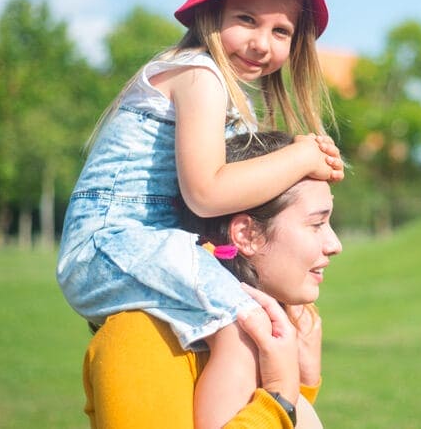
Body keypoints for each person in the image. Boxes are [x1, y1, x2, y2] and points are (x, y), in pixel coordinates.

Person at [56, 0, 344, 428]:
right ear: (212, 13)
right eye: (246, 19)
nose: (262, 43)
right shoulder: (199, 74)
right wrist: (300, 157)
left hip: (148, 244)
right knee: (241, 326)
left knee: (250, 322)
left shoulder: (225, 96)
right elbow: (208, 193)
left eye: (281, 30)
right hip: (113, 242)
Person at [83, 131, 343, 428]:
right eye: (317, 223)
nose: (335, 244)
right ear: (246, 234)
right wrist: (280, 396)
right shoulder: (140, 339)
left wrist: (302, 386)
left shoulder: (268, 342)